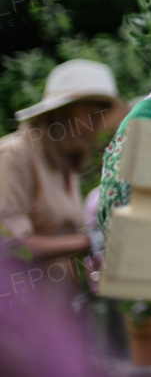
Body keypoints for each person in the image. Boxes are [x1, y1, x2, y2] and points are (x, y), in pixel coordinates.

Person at [0, 59, 124, 302]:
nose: (95, 127)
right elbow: (13, 246)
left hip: (55, 312)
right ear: (59, 113)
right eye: (90, 115)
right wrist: (91, 240)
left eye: (100, 118)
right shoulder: (14, 156)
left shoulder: (62, 162)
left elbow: (58, 234)